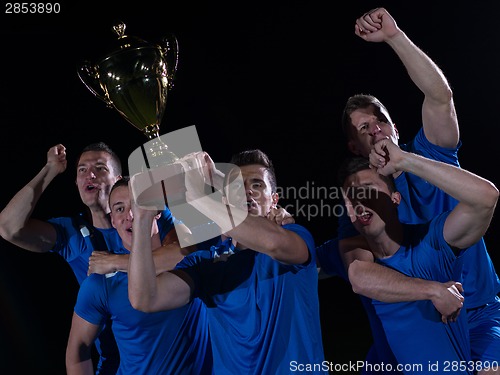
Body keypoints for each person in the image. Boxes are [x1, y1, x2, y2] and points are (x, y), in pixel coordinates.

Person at [317, 7, 500, 374]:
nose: (375, 131)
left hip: (478, 312)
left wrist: (394, 37)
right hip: (416, 319)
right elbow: (357, 273)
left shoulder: (430, 155)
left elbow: (440, 96)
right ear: (355, 149)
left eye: (380, 121)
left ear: (395, 128)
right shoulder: (359, 206)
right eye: (363, 129)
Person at [128, 149, 328, 375]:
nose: (247, 192)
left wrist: (196, 196)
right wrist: (142, 219)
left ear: (274, 200)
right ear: (224, 200)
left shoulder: (296, 235)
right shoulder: (204, 263)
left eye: (258, 185)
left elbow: (273, 243)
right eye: (237, 187)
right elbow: (145, 298)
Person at [0, 142, 185, 374]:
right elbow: (8, 228)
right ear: (76, 183)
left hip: (174, 352)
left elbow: (186, 254)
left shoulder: (151, 214)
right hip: (118, 364)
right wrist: (49, 170)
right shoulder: (73, 234)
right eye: (82, 170)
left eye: (100, 168)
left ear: (119, 178)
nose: (91, 175)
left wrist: (115, 263)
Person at [338, 140, 498, 372]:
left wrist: (405, 160)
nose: (359, 202)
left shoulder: (431, 243)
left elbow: (485, 199)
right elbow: (356, 276)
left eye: (368, 191)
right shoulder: (351, 254)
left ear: (395, 198)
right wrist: (434, 290)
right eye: (351, 199)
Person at [66, 177, 212, 374]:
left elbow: (184, 254)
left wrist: (116, 261)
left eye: (137, 205)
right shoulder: (101, 284)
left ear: (157, 212)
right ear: (113, 221)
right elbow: (78, 350)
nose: (131, 215)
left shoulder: (191, 260)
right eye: (119, 209)